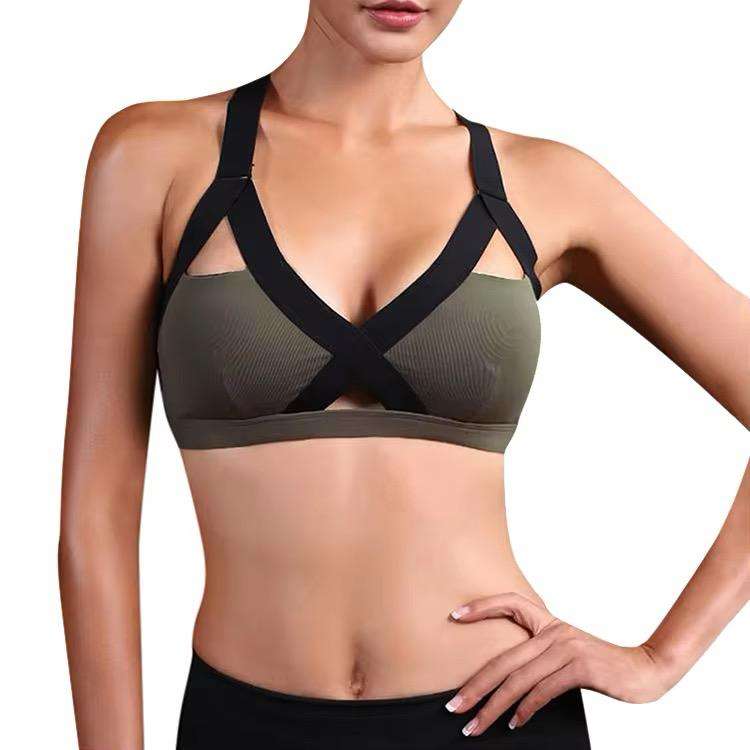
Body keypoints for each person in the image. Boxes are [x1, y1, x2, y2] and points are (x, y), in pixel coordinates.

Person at [59, 1, 750, 748]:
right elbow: (96, 513)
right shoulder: (157, 156)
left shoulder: (544, 183)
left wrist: (660, 659)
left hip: (498, 718)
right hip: (247, 721)